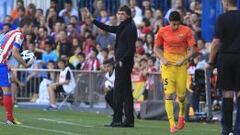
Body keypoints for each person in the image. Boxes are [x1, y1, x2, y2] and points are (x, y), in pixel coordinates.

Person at [92, 5, 137, 127]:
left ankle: (117, 119)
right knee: (127, 93)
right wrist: (93, 21)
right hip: (122, 63)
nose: (120, 15)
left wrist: (122, 60)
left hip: (124, 64)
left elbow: (131, 48)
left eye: (122, 13)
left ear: (128, 15)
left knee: (118, 92)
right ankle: (129, 120)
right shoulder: (123, 26)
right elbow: (108, 28)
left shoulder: (130, 28)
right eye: (119, 13)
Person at [154, 11, 196, 133]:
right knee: (168, 95)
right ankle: (172, 124)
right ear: (169, 22)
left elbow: (193, 49)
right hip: (167, 68)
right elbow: (156, 48)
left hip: (181, 67)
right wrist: (162, 58)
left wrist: (183, 59)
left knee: (181, 96)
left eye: (177, 24)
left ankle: (181, 116)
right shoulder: (162, 31)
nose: (175, 27)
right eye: (173, 24)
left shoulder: (186, 31)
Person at [207, 0, 240, 134]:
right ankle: (238, 130)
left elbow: (216, 42)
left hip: (226, 58)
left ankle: (226, 129)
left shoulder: (222, 18)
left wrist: (210, 61)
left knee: (227, 93)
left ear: (226, 3)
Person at [0, 17, 33, 124]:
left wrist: (7, 63)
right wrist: (25, 64)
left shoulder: (11, 32)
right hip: (1, 63)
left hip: (2, 62)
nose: (31, 29)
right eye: (31, 27)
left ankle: (10, 118)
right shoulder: (20, 35)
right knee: (7, 91)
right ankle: (10, 119)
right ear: (26, 26)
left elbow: (2, 47)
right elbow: (14, 52)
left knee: (7, 90)